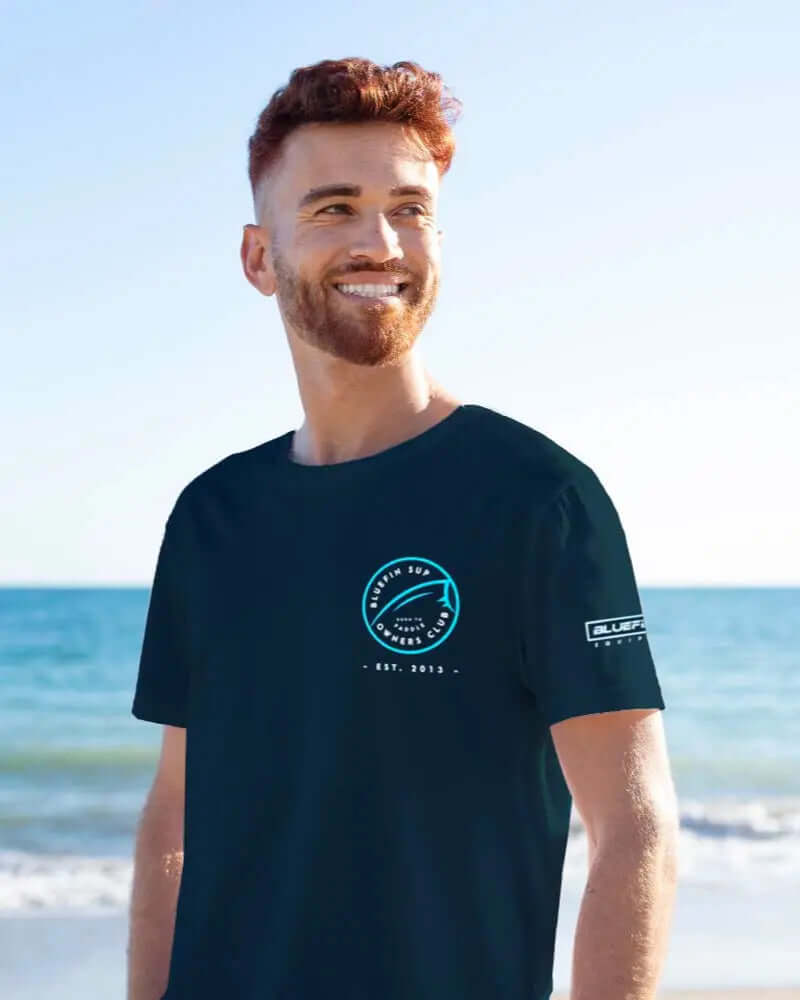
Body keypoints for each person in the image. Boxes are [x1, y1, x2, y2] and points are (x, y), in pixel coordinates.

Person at [127, 56, 679, 1000]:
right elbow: (176, 815)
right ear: (259, 258)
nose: (380, 242)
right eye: (334, 207)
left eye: (410, 209)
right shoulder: (211, 517)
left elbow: (635, 832)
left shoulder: (540, 501)